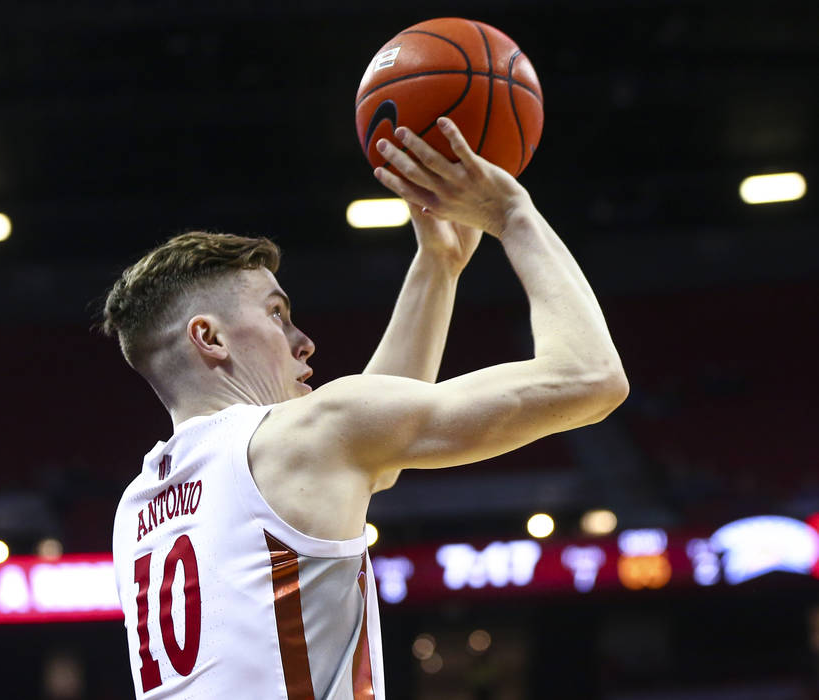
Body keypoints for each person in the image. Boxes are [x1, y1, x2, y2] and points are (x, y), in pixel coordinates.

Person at [102, 117, 628, 699]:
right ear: (211, 337)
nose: (303, 341)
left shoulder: (138, 506)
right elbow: (591, 377)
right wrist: (512, 214)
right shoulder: (300, 439)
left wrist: (438, 267)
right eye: (276, 314)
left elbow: (368, 446)